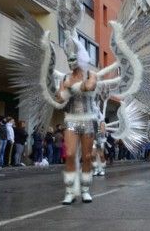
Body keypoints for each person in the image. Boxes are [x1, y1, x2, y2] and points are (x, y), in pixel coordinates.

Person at [56, 53, 98, 205]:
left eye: (73, 59)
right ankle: (70, 192)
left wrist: (69, 88)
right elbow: (59, 98)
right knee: (70, 153)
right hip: (71, 119)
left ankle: (85, 190)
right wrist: (65, 89)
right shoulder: (65, 77)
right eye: (68, 59)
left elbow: (89, 86)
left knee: (87, 156)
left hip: (88, 119)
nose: (70, 62)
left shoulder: (90, 74)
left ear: (81, 60)